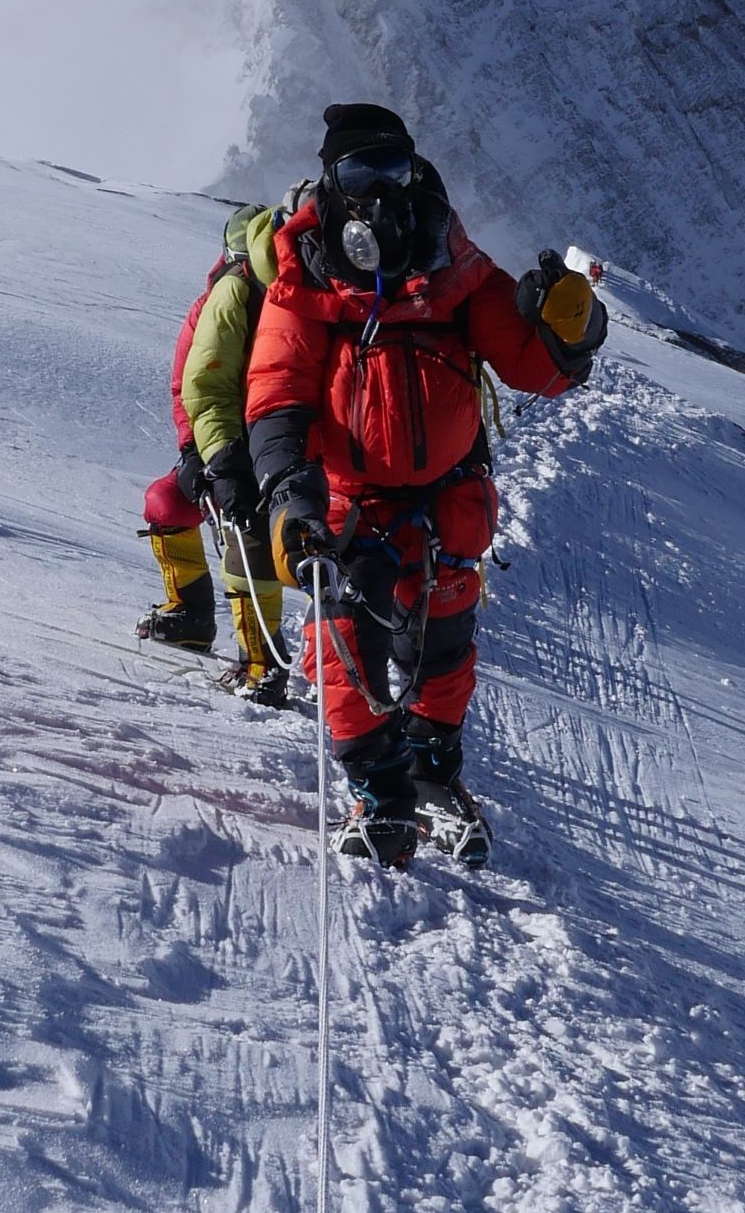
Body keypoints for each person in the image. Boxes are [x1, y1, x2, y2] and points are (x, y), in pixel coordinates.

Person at [246, 104, 606, 867]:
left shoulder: (457, 266)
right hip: (349, 500)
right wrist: (290, 494)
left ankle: (433, 767)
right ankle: (379, 787)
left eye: (394, 171)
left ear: (415, 174)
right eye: (358, 175)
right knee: (346, 640)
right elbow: (277, 393)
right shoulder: (304, 278)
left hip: (445, 498)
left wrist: (570, 333)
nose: (379, 192)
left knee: (445, 648)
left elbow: (533, 367)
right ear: (331, 185)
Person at [137, 203, 293, 705]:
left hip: (280, 440)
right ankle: (192, 617)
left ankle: (262, 661)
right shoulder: (215, 307)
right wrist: (194, 453)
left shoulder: (282, 302)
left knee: (246, 538)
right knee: (168, 501)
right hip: (227, 439)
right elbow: (189, 386)